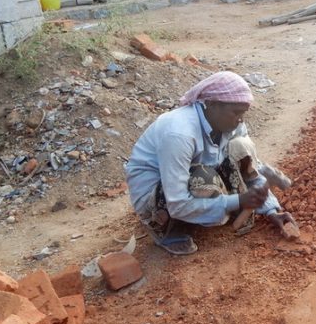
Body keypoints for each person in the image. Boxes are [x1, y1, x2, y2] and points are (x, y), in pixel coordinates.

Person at [126, 71, 297, 255]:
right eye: (236, 113)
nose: (241, 119)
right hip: (156, 193)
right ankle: (167, 230)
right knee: (203, 179)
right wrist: (239, 200)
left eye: (243, 113)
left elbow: (250, 166)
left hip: (196, 169)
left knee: (240, 146)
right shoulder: (179, 133)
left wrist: (271, 210)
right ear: (212, 104)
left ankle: (220, 206)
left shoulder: (231, 125)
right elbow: (177, 203)